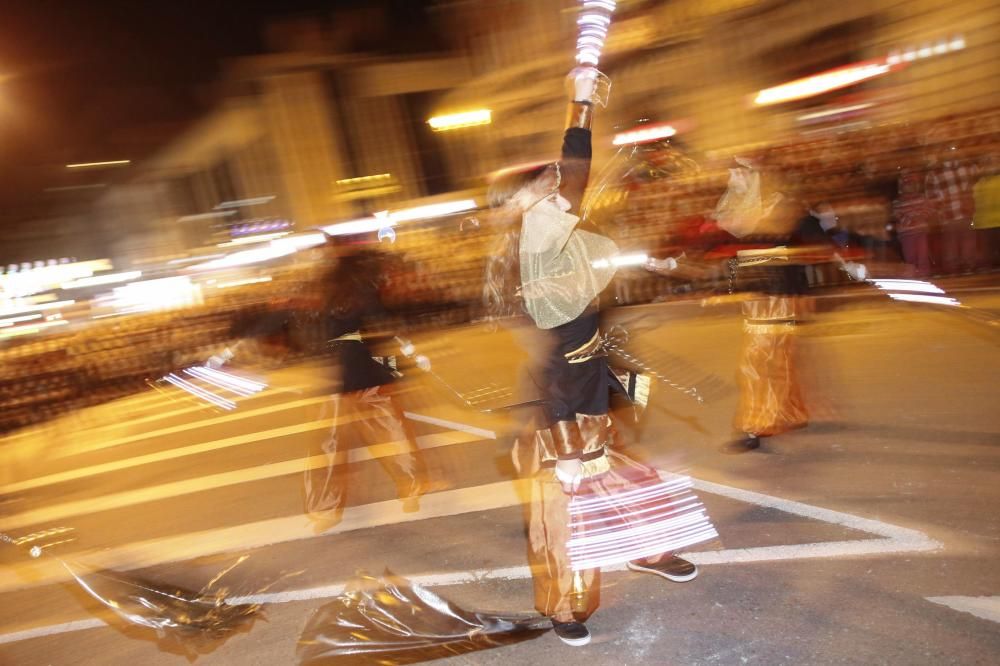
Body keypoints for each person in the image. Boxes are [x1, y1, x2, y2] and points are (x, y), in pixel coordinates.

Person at [483, 67, 698, 648]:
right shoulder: (539, 231)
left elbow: (591, 256)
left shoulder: (555, 237)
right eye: (546, 184)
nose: (559, 186)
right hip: (564, 392)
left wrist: (645, 263)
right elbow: (549, 360)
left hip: (593, 371)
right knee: (566, 499)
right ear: (526, 203)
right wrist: (580, 107)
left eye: (554, 183)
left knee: (623, 469)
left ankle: (645, 548)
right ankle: (564, 604)